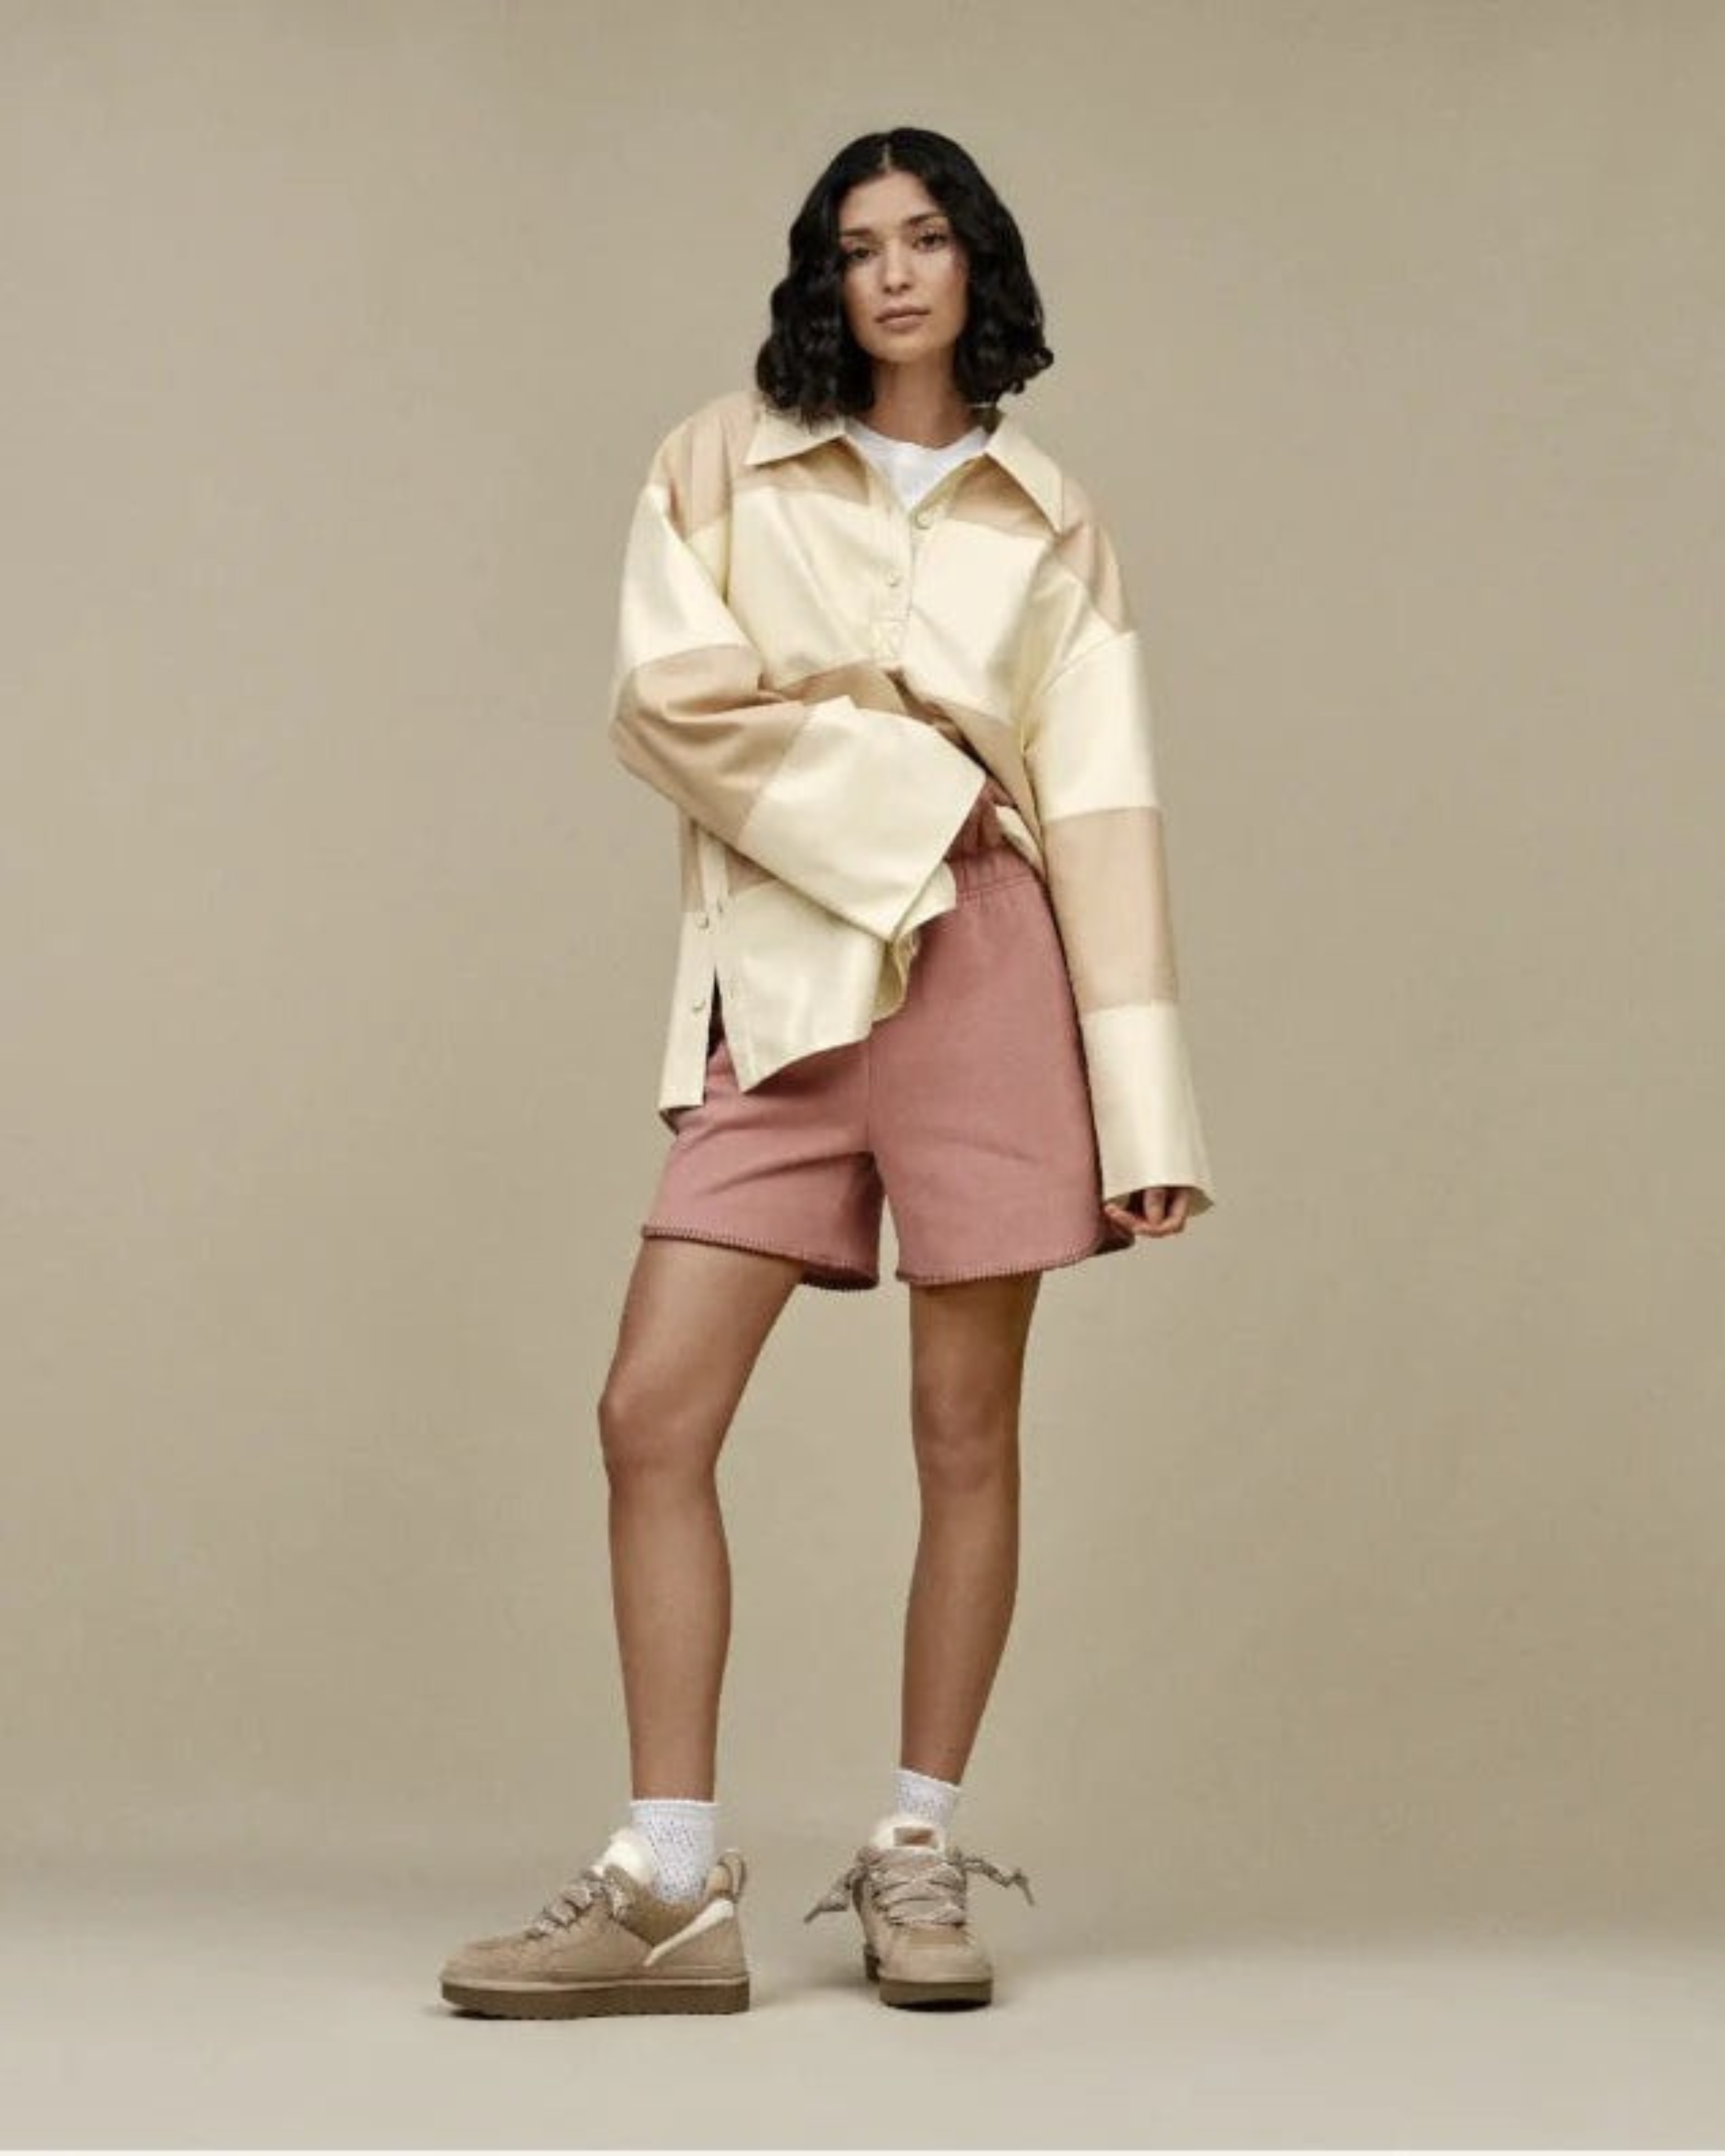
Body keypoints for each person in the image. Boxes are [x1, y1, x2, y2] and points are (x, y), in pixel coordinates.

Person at [438, 124, 1217, 2021]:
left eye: (927, 238)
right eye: (860, 246)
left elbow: (1101, 807)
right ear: (825, 277)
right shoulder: (720, 463)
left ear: (975, 263)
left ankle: (918, 1853)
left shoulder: (1053, 519)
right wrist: (919, 771)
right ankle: (669, 1883)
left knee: (965, 1433)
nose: (895, 274)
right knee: (651, 1413)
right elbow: (668, 705)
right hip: (786, 973)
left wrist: (1146, 1106)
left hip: (993, 970)